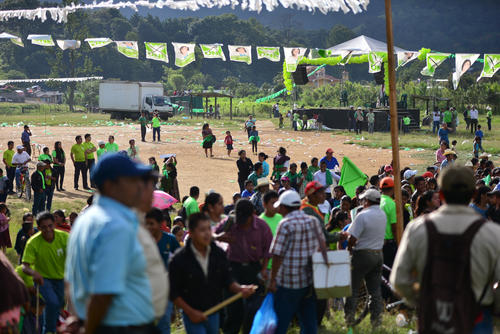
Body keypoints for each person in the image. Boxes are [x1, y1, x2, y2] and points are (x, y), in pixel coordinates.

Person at [391, 167, 500, 333]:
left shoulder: (417, 228)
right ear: (473, 195)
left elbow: (399, 280)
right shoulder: (491, 233)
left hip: (433, 319)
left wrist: (421, 300)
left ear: (441, 195)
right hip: (477, 319)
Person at [65, 153, 157, 334]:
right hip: (120, 326)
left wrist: (79, 319)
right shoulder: (114, 225)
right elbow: (103, 294)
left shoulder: (85, 220)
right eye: (131, 180)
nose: (139, 185)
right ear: (110, 185)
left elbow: (71, 282)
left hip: (97, 322)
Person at [169, 213, 255, 334]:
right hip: (192, 315)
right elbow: (173, 292)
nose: (207, 233)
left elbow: (227, 280)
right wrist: (190, 312)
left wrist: (241, 289)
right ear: (191, 233)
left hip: (213, 312)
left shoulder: (218, 253)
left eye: (209, 229)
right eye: (202, 230)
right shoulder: (179, 259)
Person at [269, 190, 326, 334]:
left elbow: (277, 254)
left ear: (285, 207)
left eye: (280, 207)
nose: (279, 210)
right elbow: (323, 248)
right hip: (309, 282)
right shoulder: (312, 221)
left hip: (288, 283)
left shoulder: (285, 224)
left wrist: (272, 280)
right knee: (308, 323)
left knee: (281, 322)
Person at [214, 199, 273, 334]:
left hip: (254, 270)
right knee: (233, 310)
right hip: (232, 269)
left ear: (252, 213)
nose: (241, 223)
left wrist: (264, 269)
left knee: (253, 309)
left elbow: (268, 251)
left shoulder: (262, 227)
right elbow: (211, 235)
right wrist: (220, 237)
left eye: (244, 219)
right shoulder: (230, 222)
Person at [344, 189, 387, 329]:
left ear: (367, 201)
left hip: (362, 254)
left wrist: (349, 249)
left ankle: (349, 321)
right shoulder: (382, 214)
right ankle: (377, 322)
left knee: (353, 289)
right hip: (378, 254)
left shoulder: (363, 215)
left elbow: (352, 238)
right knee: (375, 291)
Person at [22, 211, 69, 333]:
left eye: (50, 226)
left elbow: (76, 256)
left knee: (59, 305)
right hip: (43, 280)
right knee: (52, 303)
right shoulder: (33, 242)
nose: (47, 230)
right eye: (43, 227)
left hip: (61, 279)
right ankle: (49, 330)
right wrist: (34, 273)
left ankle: (49, 329)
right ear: (38, 227)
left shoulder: (64, 237)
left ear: (54, 224)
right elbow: (24, 267)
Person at [145, 208, 180, 334]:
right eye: (146, 223)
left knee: (164, 324)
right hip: (146, 290)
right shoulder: (142, 241)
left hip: (166, 290)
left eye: (151, 224)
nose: (148, 227)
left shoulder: (170, 240)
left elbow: (179, 260)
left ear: (161, 224)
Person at [379, 176, 397, 292]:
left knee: (381, 273)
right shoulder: (391, 204)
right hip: (389, 243)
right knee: (391, 271)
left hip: (378, 243)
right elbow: (394, 227)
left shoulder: (377, 202)